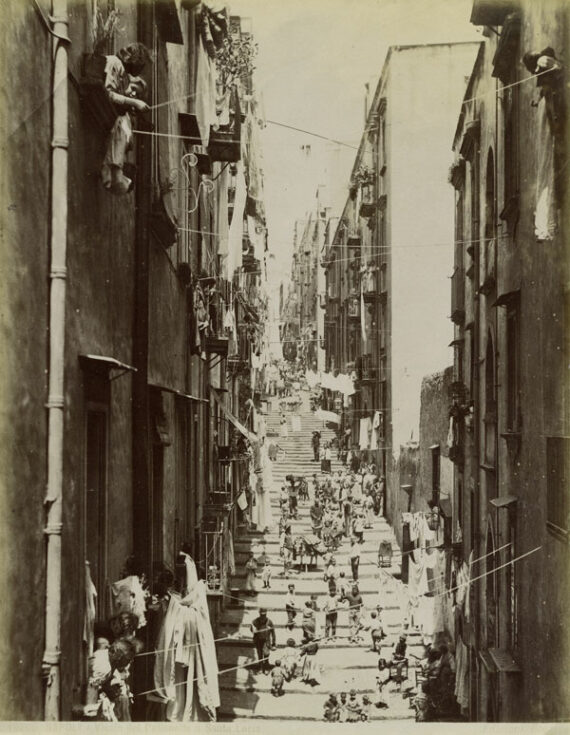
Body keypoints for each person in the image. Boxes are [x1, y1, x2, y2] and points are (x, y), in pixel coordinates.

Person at [250, 608, 276, 673]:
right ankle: (261, 668)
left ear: (266, 614)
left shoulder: (269, 622)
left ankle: (266, 668)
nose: (263, 616)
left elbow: (273, 633)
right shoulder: (256, 621)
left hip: (266, 641)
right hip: (258, 641)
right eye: (262, 615)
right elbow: (251, 628)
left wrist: (274, 643)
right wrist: (253, 629)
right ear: (260, 614)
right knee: (260, 654)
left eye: (264, 615)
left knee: (266, 654)